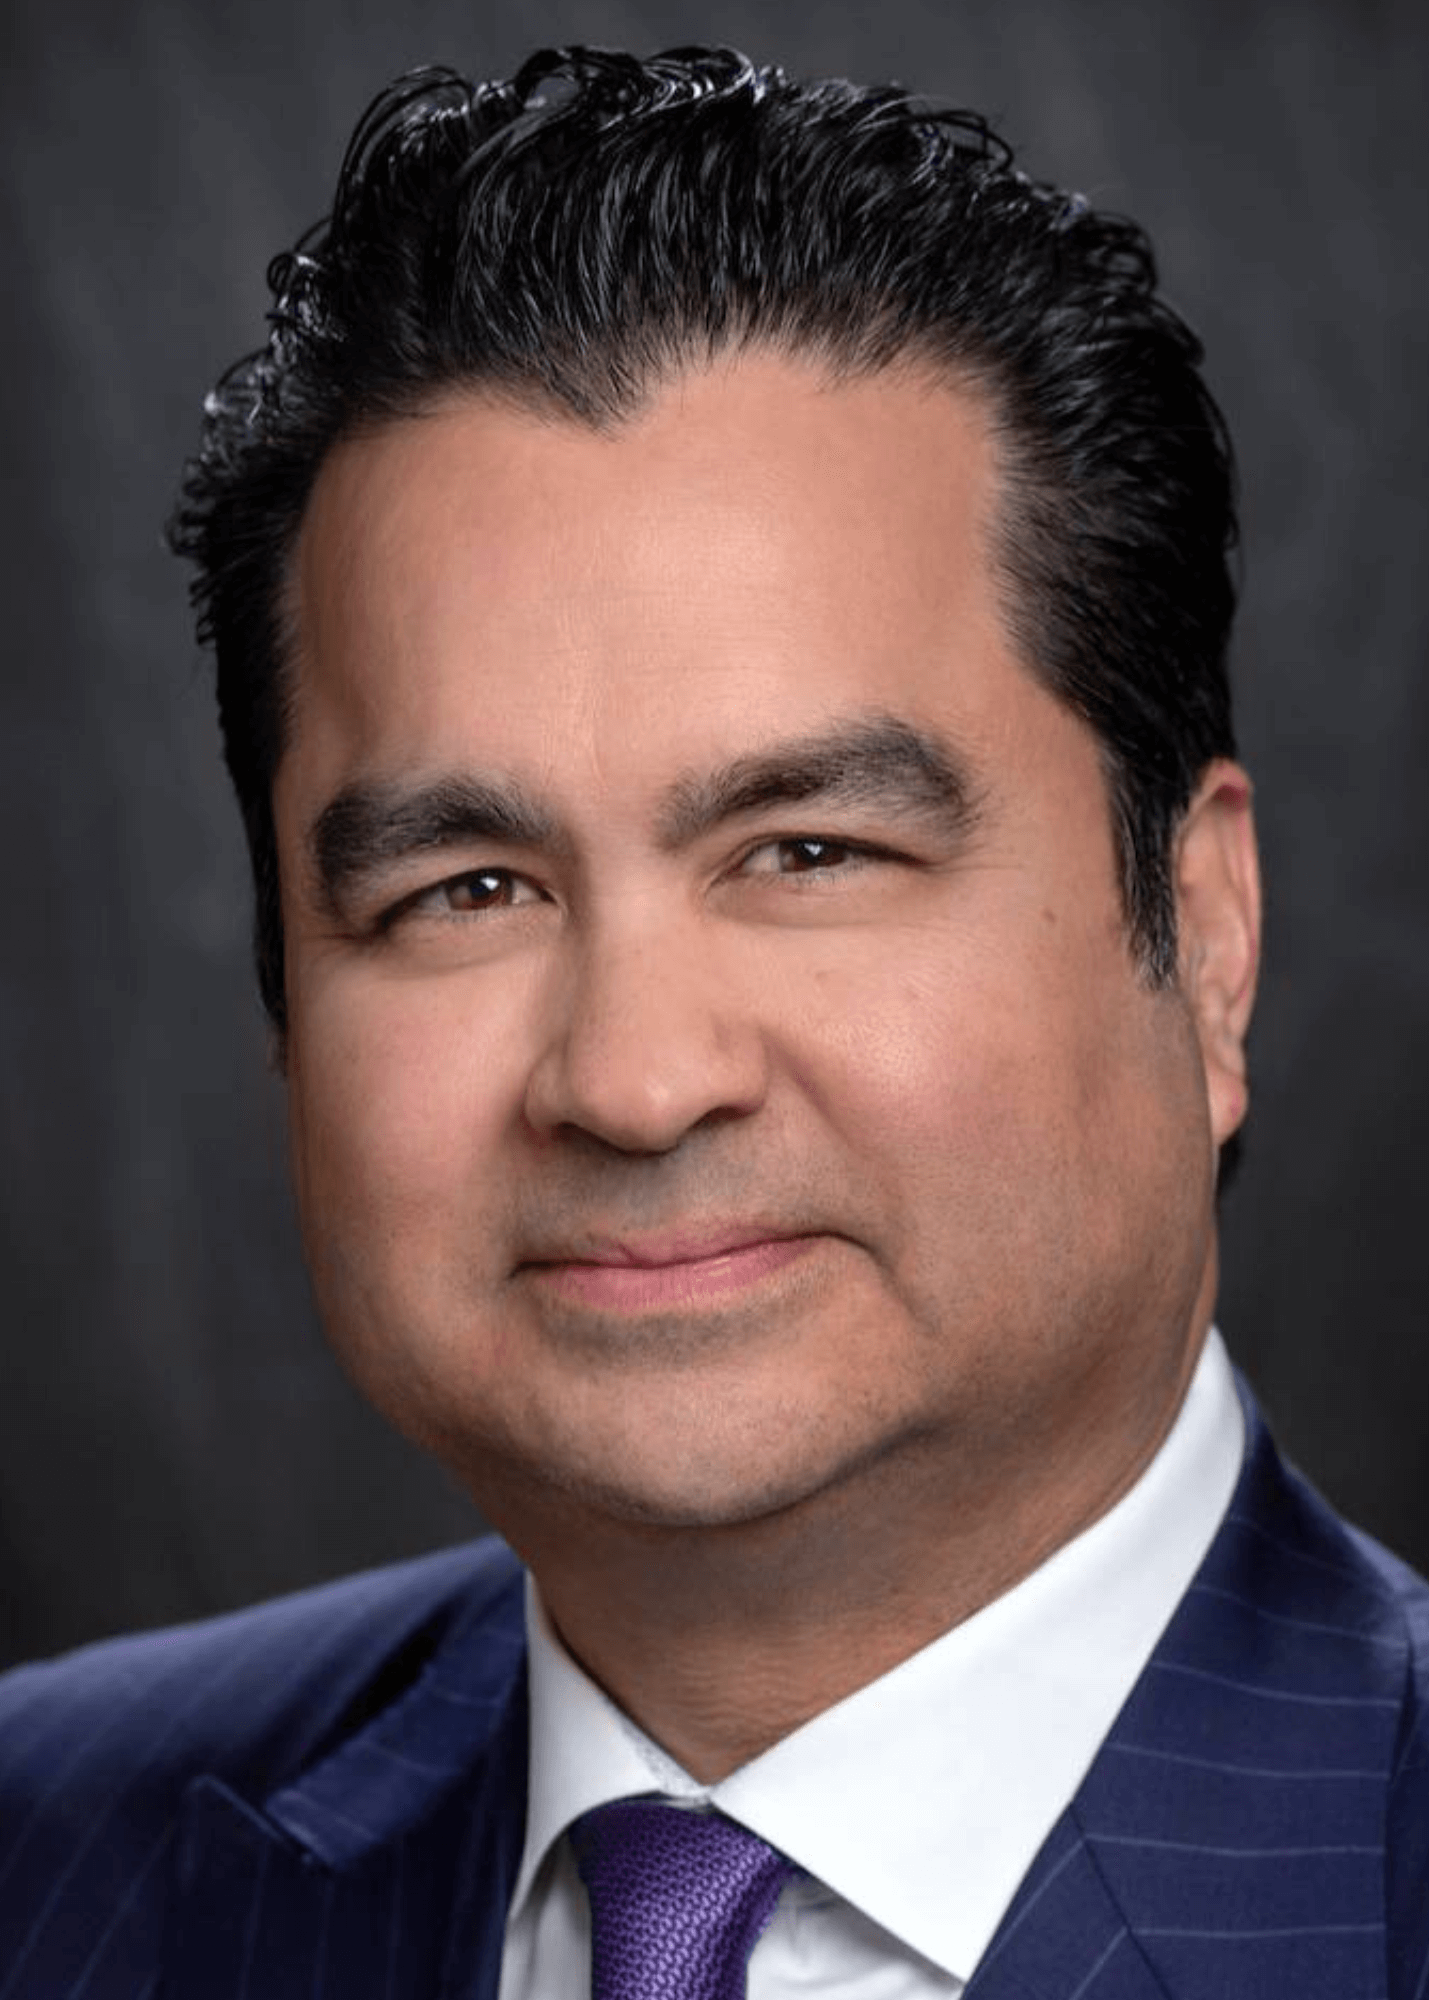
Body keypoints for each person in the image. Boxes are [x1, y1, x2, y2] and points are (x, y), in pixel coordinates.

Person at [0, 42, 1424, 2000]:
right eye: (465, 890)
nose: (636, 1080)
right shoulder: (39, 1855)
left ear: (1206, 934)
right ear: (286, 1013)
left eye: (810, 852)